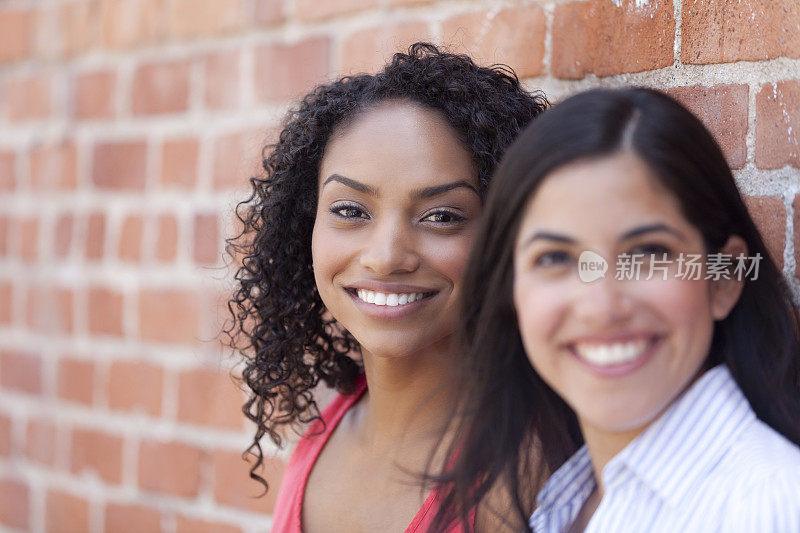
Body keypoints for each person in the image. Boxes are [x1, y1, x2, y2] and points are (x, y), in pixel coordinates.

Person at [431, 87, 800, 532]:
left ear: (724, 278)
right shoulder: (561, 500)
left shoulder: (770, 506)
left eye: (646, 253)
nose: (602, 307)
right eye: (555, 258)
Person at [225, 42, 548, 532]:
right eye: (351, 210)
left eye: (442, 216)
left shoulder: (519, 473)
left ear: (506, 234)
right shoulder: (325, 432)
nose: (386, 256)